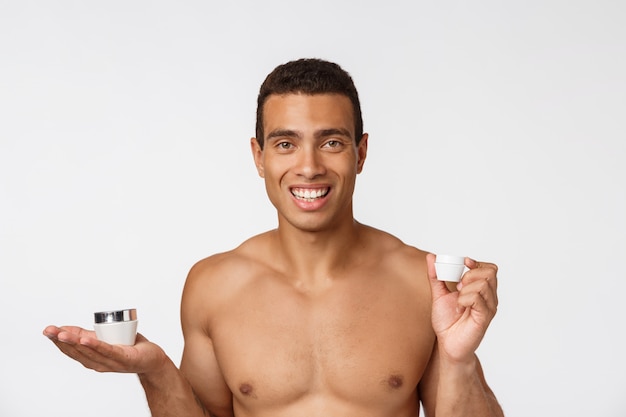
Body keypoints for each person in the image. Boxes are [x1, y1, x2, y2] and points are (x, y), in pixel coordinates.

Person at [44, 58, 503, 417]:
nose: (308, 166)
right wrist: (156, 371)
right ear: (258, 156)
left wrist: (460, 360)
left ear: (360, 153)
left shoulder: (421, 283)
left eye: (331, 142)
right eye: (286, 143)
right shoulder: (215, 286)